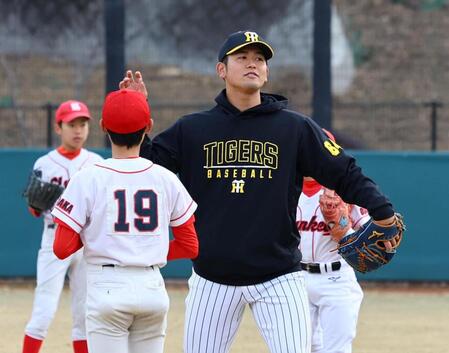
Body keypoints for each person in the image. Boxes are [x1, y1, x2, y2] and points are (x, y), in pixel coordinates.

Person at [120, 30, 398, 353]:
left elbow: (344, 171)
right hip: (212, 277)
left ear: (266, 73)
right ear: (221, 69)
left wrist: (383, 211)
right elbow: (147, 169)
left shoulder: (294, 128)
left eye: (259, 59)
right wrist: (134, 118)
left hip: (279, 277)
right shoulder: (193, 129)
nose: (252, 63)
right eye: (242, 57)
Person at [50, 89, 199, 353]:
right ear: (149, 126)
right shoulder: (166, 178)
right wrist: (144, 248)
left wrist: (100, 240)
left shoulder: (88, 177)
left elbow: (61, 248)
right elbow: (190, 246)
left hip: (107, 288)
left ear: (103, 127)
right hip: (152, 288)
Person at [22, 100, 103, 353]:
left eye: (82, 124)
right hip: (54, 239)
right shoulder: (44, 164)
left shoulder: (97, 162)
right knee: (43, 312)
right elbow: (34, 211)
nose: (78, 130)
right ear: (59, 128)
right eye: (71, 125)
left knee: (84, 315)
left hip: (86, 243)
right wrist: (37, 205)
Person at [297, 130, 368, 353]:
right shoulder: (284, 189)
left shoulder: (344, 190)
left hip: (336, 278)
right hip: (295, 278)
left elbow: (368, 234)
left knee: (336, 349)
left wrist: (345, 230)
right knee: (299, 346)